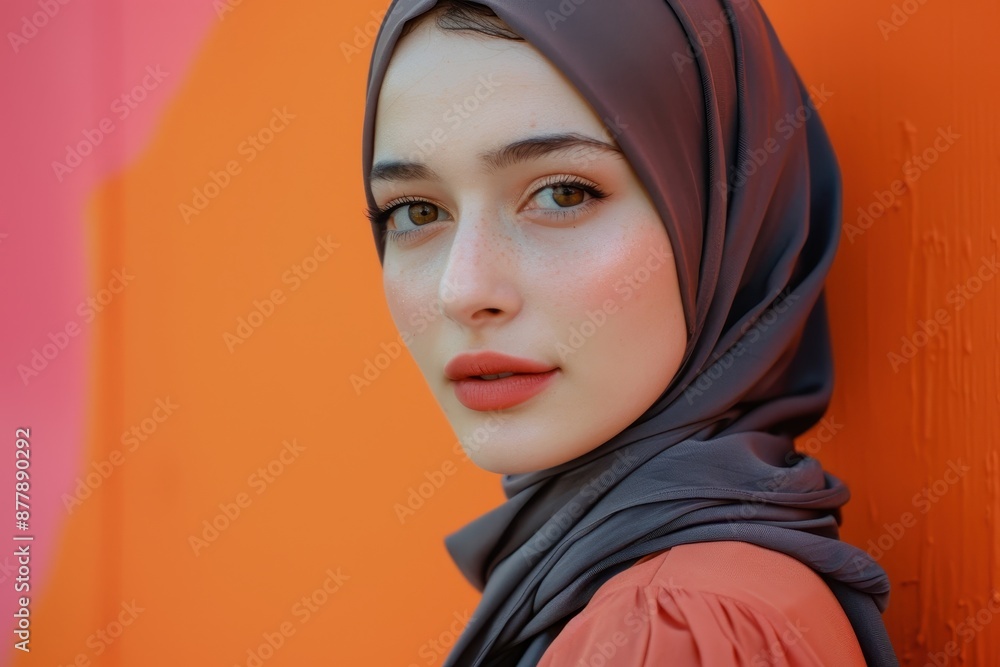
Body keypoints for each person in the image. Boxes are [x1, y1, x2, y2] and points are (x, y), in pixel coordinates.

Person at [360, 1, 898, 665]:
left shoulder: (666, 629)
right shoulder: (670, 594)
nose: (462, 290)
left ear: (722, 220)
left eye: (563, 193)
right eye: (416, 210)